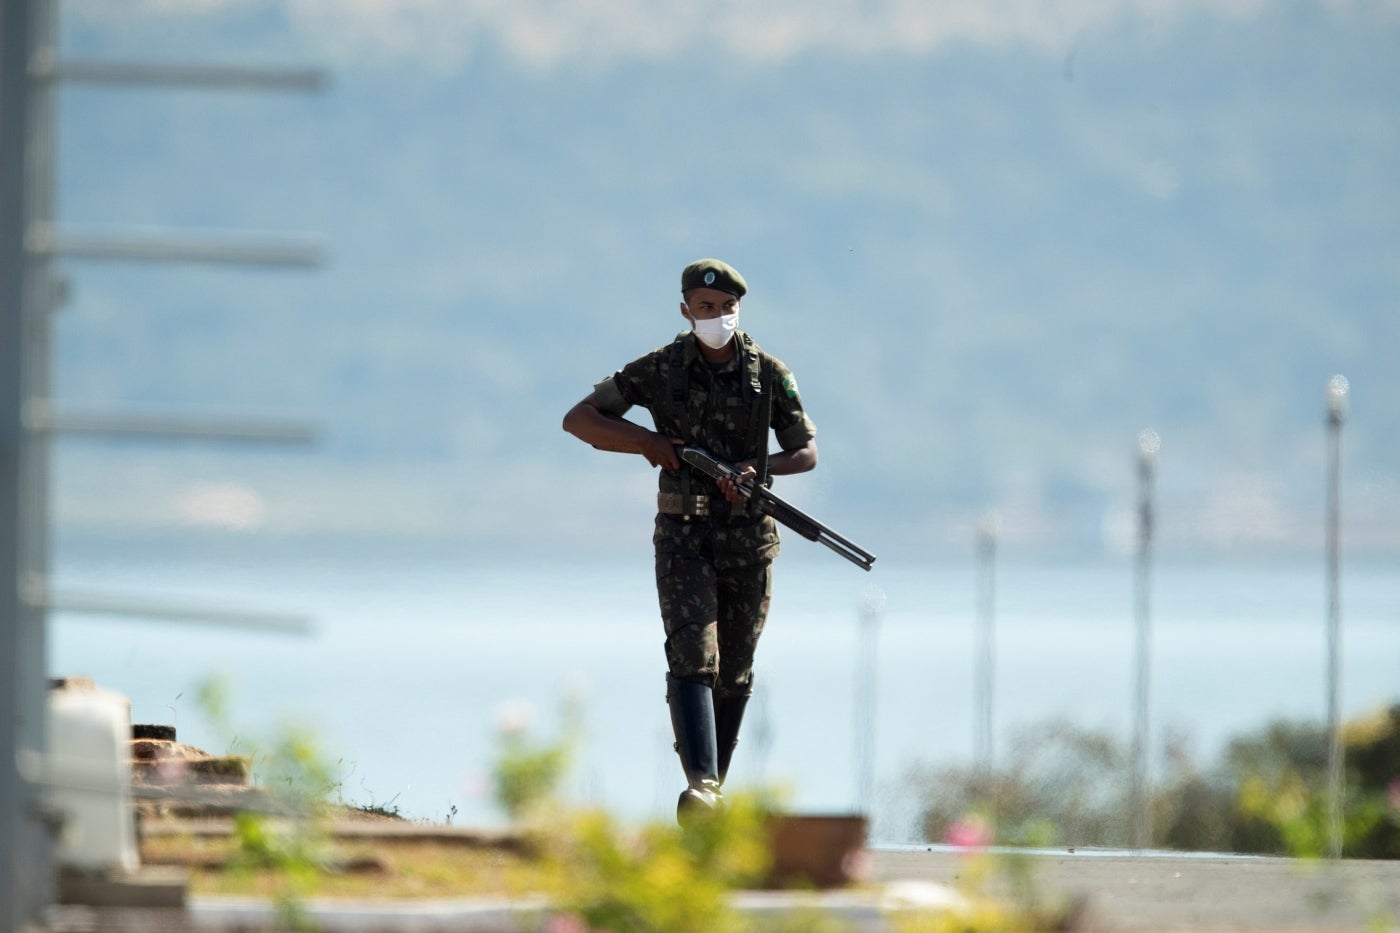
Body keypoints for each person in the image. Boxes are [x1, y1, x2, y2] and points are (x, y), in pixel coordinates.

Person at [562, 258, 818, 822]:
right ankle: (701, 783)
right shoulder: (659, 370)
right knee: (692, 656)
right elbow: (580, 420)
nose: (718, 318)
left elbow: (806, 451)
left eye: (727, 308)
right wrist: (649, 444)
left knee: (736, 669)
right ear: (686, 311)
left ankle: (711, 793)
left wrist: (761, 470)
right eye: (706, 309)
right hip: (684, 536)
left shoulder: (769, 374)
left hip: (748, 538)